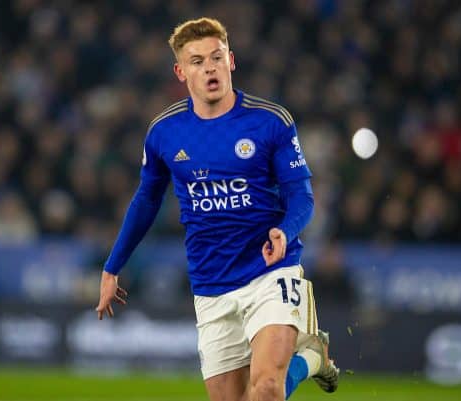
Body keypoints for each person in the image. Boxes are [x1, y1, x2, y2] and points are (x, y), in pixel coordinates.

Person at [95, 17, 339, 401]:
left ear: (231, 61)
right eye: (197, 61)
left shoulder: (269, 121)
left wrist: (284, 232)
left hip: (270, 270)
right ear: (180, 71)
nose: (209, 67)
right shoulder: (164, 132)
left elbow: (303, 197)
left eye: (216, 57)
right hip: (211, 284)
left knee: (267, 390)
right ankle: (311, 356)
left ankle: (304, 357)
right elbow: (146, 200)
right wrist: (112, 267)